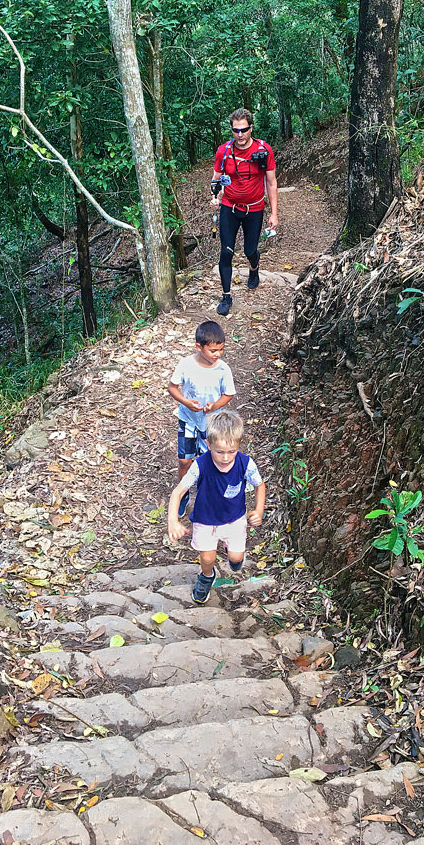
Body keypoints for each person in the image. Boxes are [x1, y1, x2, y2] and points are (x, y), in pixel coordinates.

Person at [167, 409, 265, 604]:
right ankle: (206, 577)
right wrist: (172, 521)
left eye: (231, 452)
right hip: (205, 520)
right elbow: (178, 491)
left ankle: (235, 559)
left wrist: (259, 510)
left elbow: (259, 485)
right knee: (208, 559)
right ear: (208, 444)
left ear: (239, 446)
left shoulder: (246, 464)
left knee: (236, 559)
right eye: (219, 452)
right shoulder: (200, 465)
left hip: (234, 519)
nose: (226, 458)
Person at [211, 108, 278, 317]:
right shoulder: (224, 151)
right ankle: (226, 296)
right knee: (226, 252)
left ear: (251, 128)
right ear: (231, 130)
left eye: (244, 130)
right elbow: (216, 178)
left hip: (255, 208)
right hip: (230, 207)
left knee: (250, 250)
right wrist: (216, 195)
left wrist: (274, 213)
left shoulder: (263, 150)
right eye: (235, 130)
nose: (240, 135)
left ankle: (254, 267)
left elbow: (271, 182)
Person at [168, 320, 236, 519]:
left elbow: (229, 394)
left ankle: (210, 497)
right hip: (188, 419)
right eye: (213, 350)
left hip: (212, 424)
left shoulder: (223, 369)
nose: (217, 355)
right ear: (199, 347)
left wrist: (215, 406)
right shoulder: (186, 364)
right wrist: (186, 402)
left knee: (212, 460)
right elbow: (172, 387)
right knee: (184, 460)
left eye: (221, 350)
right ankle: (183, 494)